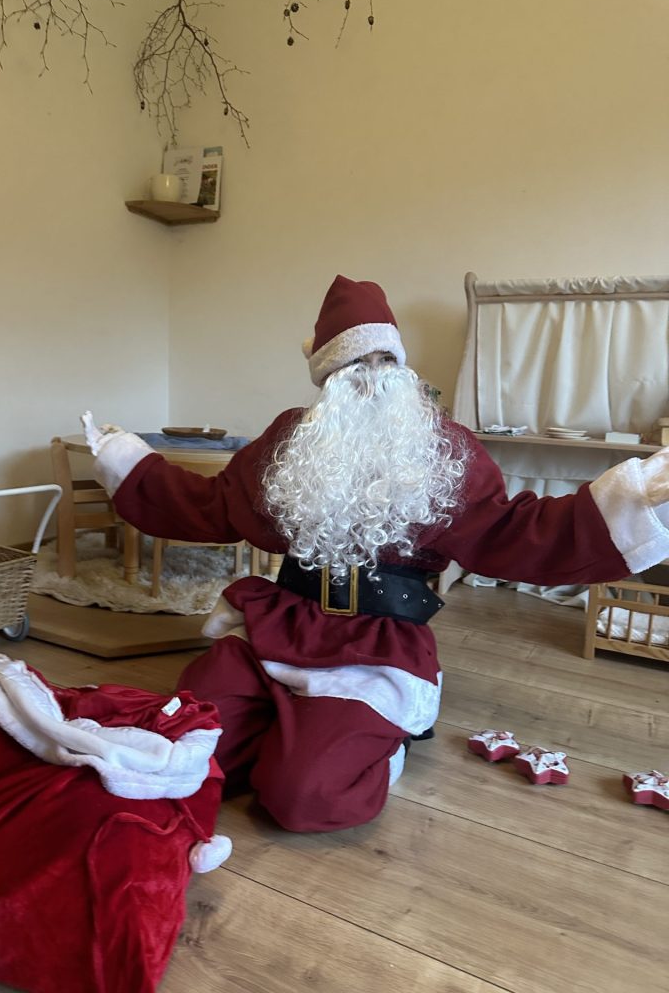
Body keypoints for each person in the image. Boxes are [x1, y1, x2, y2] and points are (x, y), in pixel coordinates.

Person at [82, 273, 669, 833]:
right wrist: (131, 465)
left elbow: (514, 530)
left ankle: (373, 741)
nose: (371, 374)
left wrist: (631, 502)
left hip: (377, 644)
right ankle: (286, 728)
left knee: (303, 797)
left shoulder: (442, 449)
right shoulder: (290, 439)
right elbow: (214, 505)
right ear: (327, 377)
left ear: (402, 368)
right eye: (353, 363)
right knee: (179, 752)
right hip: (278, 624)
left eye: (385, 360)